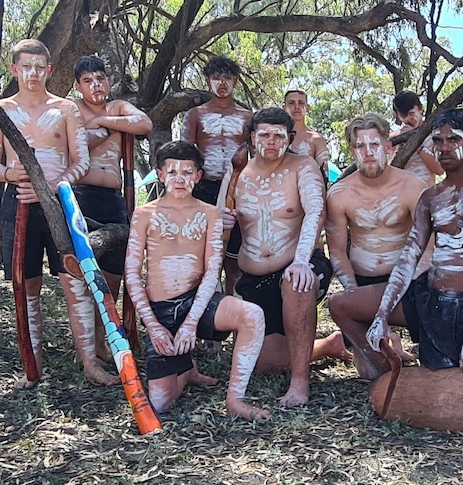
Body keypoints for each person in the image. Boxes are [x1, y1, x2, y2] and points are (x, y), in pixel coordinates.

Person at [329, 108, 463, 380]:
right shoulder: (432, 196)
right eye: (438, 141)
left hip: (459, 305)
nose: (444, 148)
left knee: (453, 388)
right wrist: (381, 315)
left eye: (453, 140)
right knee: (341, 304)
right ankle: (387, 377)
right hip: (426, 298)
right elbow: (408, 258)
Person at [124, 140, 268, 420]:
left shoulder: (209, 213)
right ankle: (185, 371)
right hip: (162, 309)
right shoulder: (144, 215)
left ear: (198, 176)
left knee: (252, 315)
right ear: (161, 174)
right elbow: (132, 274)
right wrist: (153, 326)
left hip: (197, 301)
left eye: (188, 172)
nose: (180, 179)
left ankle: (235, 400)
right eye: (173, 172)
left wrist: (191, 323)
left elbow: (212, 270)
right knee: (161, 404)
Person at [0, 39, 93, 389]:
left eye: (39, 67)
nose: (32, 73)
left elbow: (81, 161)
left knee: (76, 281)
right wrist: (8, 174)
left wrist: (56, 185)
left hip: (60, 204)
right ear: (14, 70)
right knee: (25, 284)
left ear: (48, 70)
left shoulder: (66, 109)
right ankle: (33, 367)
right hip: (18, 205)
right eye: (25, 66)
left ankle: (89, 361)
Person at [228, 108, 347, 407]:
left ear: (289, 138)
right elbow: (222, 218)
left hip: (299, 262)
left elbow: (316, 211)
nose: (271, 141)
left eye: (278, 135)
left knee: (297, 280)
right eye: (264, 135)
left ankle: (299, 383)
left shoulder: (303, 167)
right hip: (254, 276)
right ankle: (327, 345)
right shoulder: (238, 172)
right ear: (253, 138)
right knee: (267, 363)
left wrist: (300, 259)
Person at [68, 54, 153, 382]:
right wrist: (96, 127)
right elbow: (72, 139)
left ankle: (101, 342)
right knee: (83, 273)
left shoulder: (117, 107)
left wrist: (104, 123)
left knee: (114, 273)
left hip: (113, 199)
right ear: (78, 85)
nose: (96, 85)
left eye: (100, 78)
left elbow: (144, 124)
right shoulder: (71, 109)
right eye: (88, 81)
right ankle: (85, 346)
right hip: (80, 196)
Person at [325, 113, 429, 362]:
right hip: (364, 280)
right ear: (352, 152)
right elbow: (337, 251)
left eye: (374, 145)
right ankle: (379, 348)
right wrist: (352, 293)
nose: (368, 152)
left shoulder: (413, 187)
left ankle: (408, 341)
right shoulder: (339, 194)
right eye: (360, 146)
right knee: (374, 372)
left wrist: (418, 282)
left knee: (435, 365)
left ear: (388, 147)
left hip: (408, 281)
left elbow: (429, 244)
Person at [180, 56, 250, 294]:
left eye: (227, 78)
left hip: (238, 189)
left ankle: (233, 313)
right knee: (205, 257)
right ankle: (202, 316)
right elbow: (185, 152)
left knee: (234, 261)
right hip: (204, 188)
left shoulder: (247, 117)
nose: (222, 83)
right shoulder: (195, 115)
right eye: (217, 78)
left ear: (236, 82)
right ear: (208, 81)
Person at [389, 91, 442, 186]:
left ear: (420, 108)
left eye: (411, 113)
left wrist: (417, 144)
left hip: (425, 195)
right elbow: (389, 172)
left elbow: (439, 170)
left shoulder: (435, 136)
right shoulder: (394, 138)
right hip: (400, 195)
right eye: (403, 116)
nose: (408, 119)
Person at [283, 88, 329, 171]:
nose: (296, 107)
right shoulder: (275, 136)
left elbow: (323, 174)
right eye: (291, 103)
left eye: (301, 103)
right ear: (284, 107)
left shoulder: (316, 139)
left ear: (307, 107)